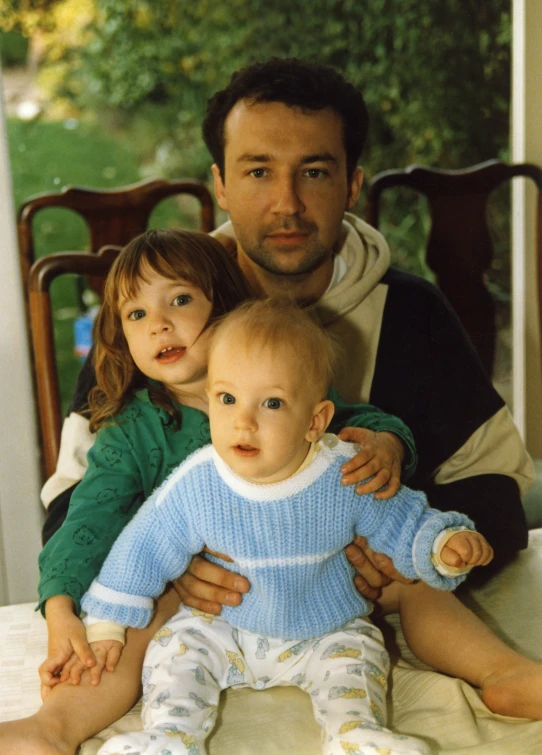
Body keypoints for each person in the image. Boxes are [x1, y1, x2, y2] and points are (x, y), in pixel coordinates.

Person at [2, 58, 539, 755]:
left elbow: (498, 491)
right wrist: (178, 555)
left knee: (419, 576)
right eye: (257, 170)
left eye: (314, 171)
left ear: (352, 183)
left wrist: (386, 523)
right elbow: (78, 505)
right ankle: (58, 729)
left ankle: (506, 674)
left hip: (342, 607)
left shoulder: (415, 316)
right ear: (220, 183)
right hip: (200, 617)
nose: (286, 201)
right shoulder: (160, 323)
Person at [79, 298, 494, 755]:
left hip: (325, 630)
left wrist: (443, 543)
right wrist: (106, 624)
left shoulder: (343, 472)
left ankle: (356, 736)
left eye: (271, 403)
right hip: (224, 627)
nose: (243, 420)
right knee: (175, 653)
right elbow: (142, 547)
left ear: (314, 421)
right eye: (227, 398)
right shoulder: (198, 482)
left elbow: (403, 520)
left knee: (357, 660)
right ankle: (169, 738)